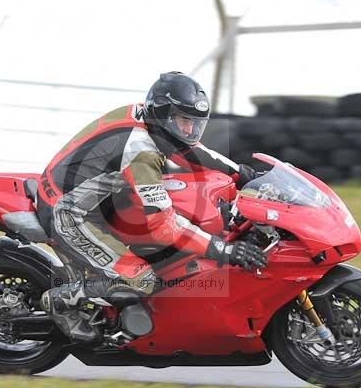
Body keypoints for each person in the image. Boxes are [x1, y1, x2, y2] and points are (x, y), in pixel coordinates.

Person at [36, 71, 268, 342]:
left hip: (98, 198)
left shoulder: (147, 118)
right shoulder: (142, 154)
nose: (190, 130)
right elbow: (164, 227)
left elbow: (192, 150)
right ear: (163, 115)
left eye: (195, 123)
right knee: (141, 280)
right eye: (184, 121)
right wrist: (222, 249)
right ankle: (61, 300)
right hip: (68, 212)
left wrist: (243, 174)